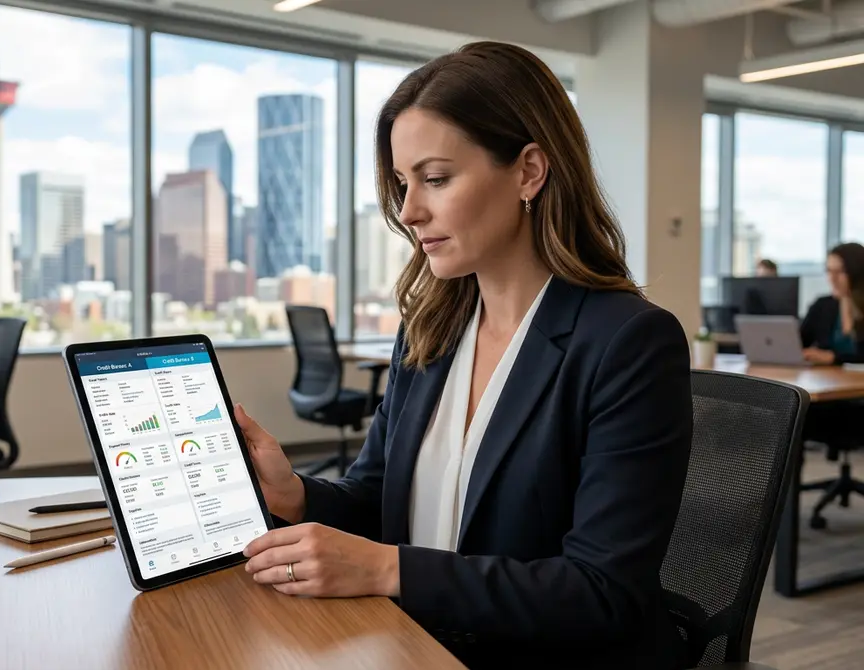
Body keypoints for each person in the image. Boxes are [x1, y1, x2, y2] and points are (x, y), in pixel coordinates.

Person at [234, 42, 692, 670]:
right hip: (419, 643)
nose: (409, 210)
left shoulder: (629, 343)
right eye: (402, 183)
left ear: (529, 172)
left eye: (436, 178)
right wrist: (297, 497)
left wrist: (388, 569)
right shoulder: (430, 331)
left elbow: (601, 593)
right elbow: (377, 498)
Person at [801, 242, 864, 365]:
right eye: (829, 271)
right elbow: (798, 344)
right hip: (830, 380)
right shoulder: (822, 305)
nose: (832, 278)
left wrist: (834, 358)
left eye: (840, 272)